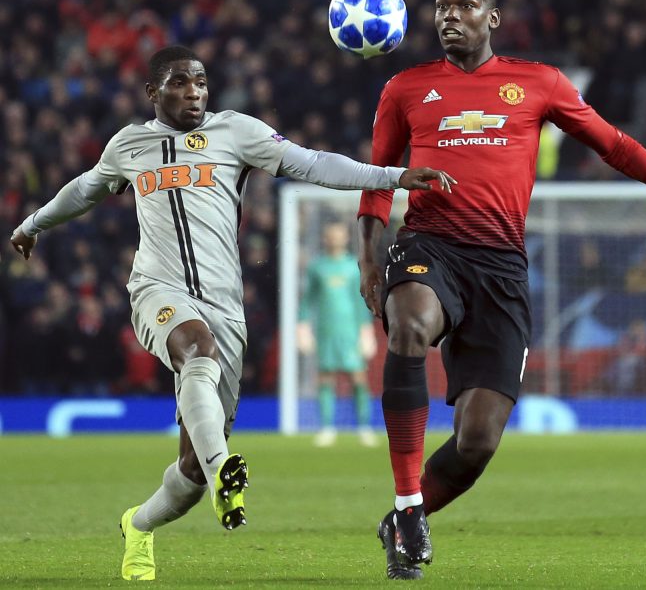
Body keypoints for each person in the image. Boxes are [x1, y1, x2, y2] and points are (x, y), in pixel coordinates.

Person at [9, 45, 454, 582]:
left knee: (189, 476)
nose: (193, 92)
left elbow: (311, 163)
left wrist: (391, 177)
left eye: (199, 82)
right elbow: (85, 189)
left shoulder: (235, 132)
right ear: (153, 93)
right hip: (158, 289)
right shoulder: (129, 145)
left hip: (226, 307)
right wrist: (33, 223)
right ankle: (227, 470)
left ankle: (140, 522)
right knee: (195, 350)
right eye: (179, 83)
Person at [357, 0, 646, 580]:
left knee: (477, 444)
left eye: (466, 5)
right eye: (442, 6)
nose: (451, 15)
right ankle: (406, 505)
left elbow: (614, 144)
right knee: (408, 328)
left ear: (493, 17)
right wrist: (369, 255)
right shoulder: (405, 88)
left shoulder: (538, 83)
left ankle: (408, 513)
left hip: (501, 267)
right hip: (430, 244)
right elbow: (378, 178)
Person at [297, 220, 378, 447]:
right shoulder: (317, 267)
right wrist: (302, 326)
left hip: (350, 330)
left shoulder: (354, 266)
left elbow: (360, 300)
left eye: (338, 234)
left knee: (358, 377)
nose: (335, 238)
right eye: (331, 235)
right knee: (326, 376)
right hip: (326, 330)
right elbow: (308, 299)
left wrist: (366, 330)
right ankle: (327, 427)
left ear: (345, 238)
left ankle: (364, 427)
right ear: (325, 238)